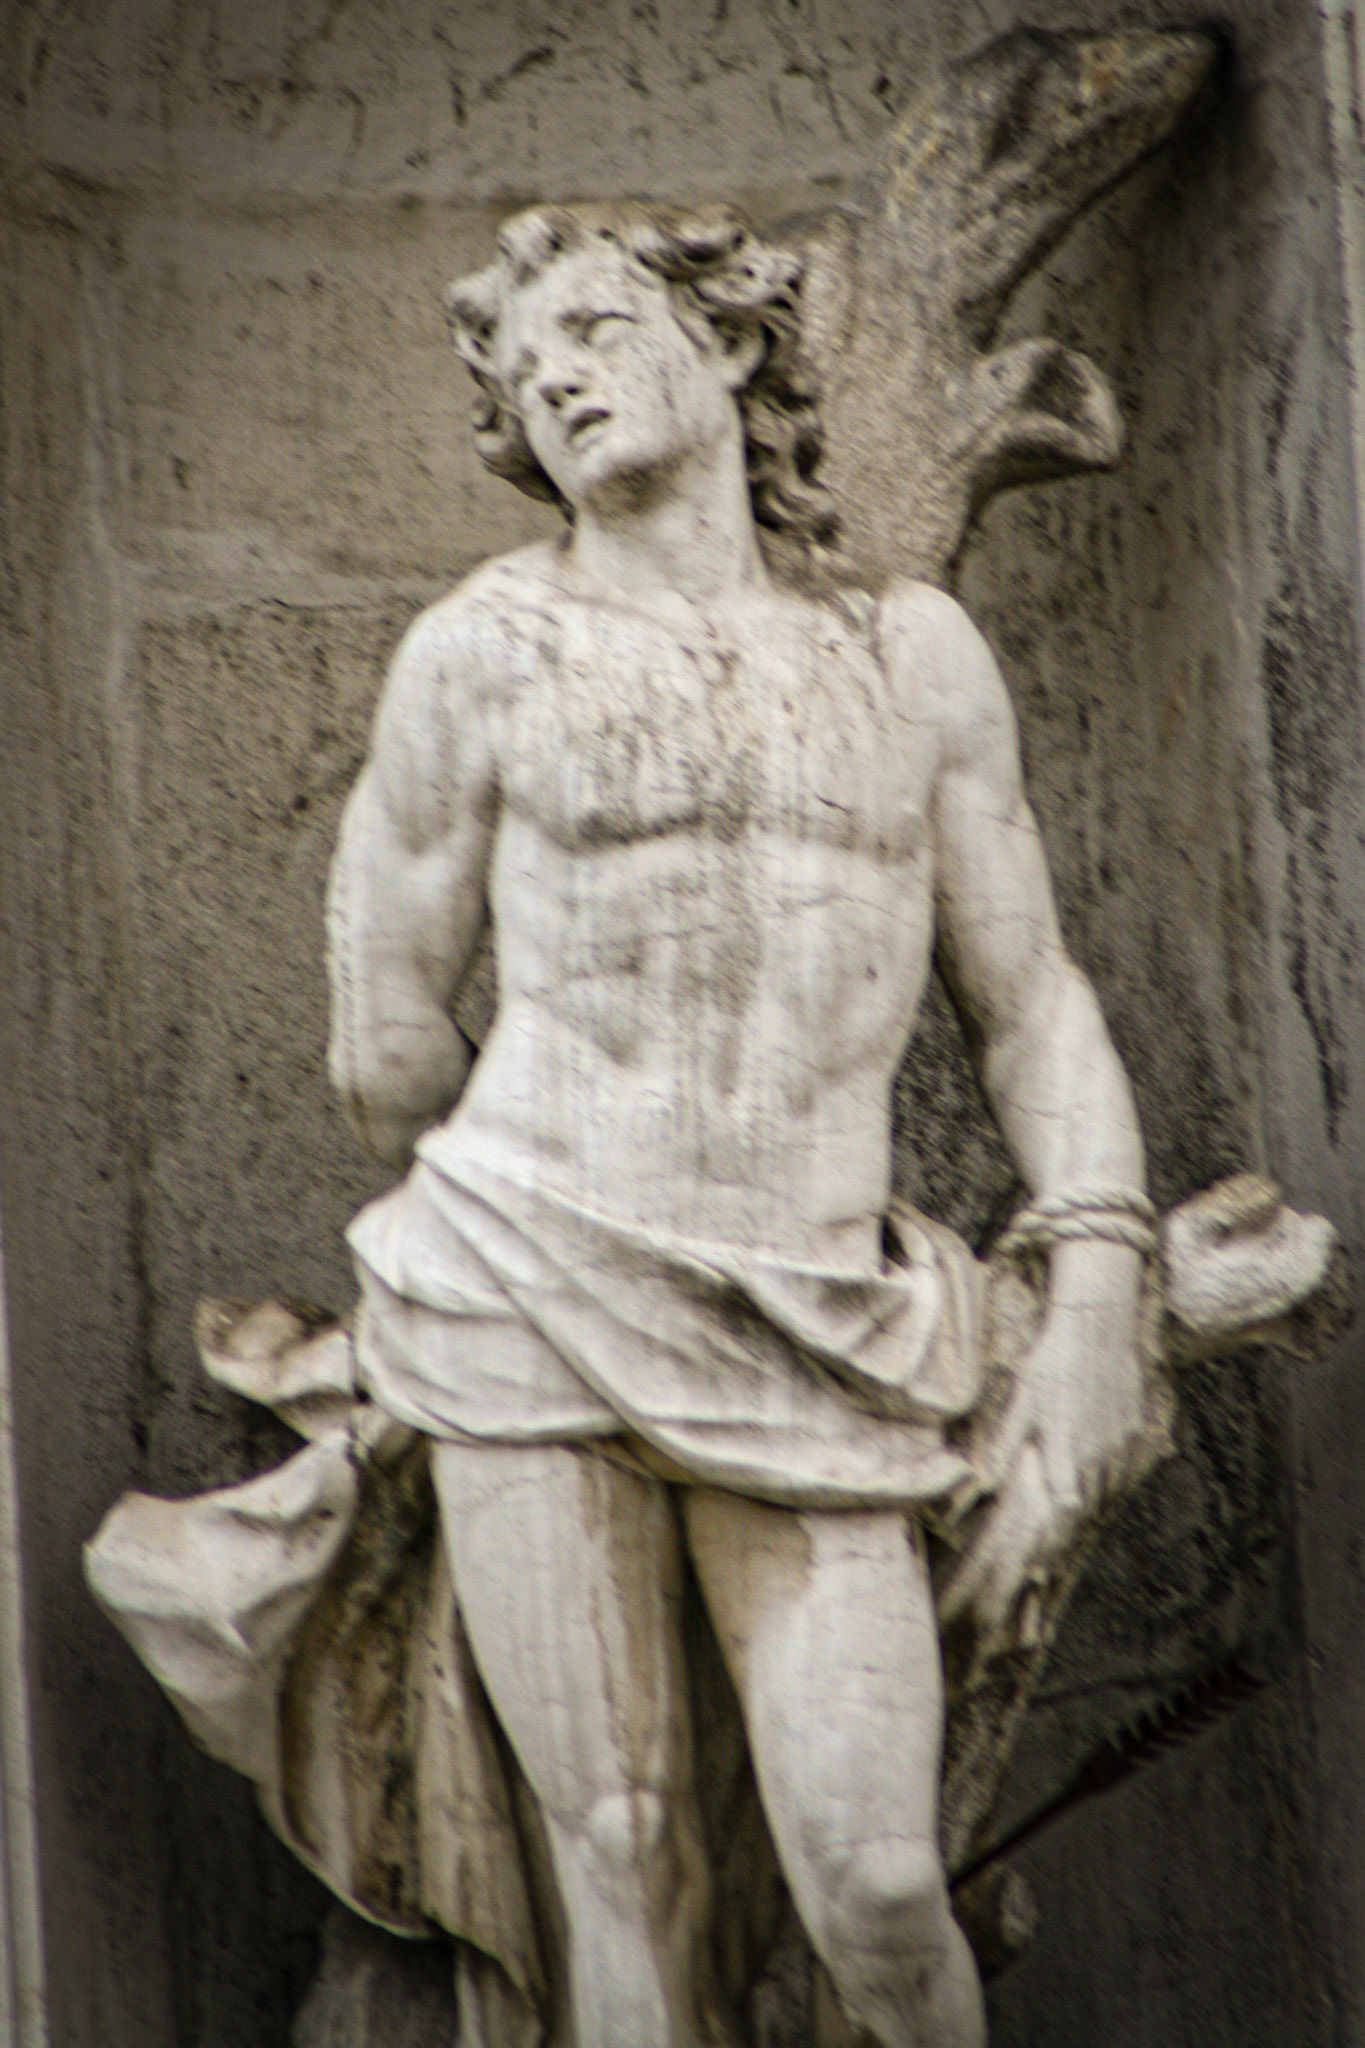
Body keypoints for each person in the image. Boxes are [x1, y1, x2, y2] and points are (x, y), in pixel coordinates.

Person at [325, 199, 1149, 2048]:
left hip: (826, 1324)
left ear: (731, 349)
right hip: (529, 1289)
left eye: (602, 330)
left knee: (870, 1874)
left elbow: (1030, 1005)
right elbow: (382, 1034)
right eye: (528, 375)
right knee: (616, 1849)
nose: (560, 378)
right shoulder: (481, 654)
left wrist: (1096, 1279)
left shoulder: (909, 655)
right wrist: (548, 1209)